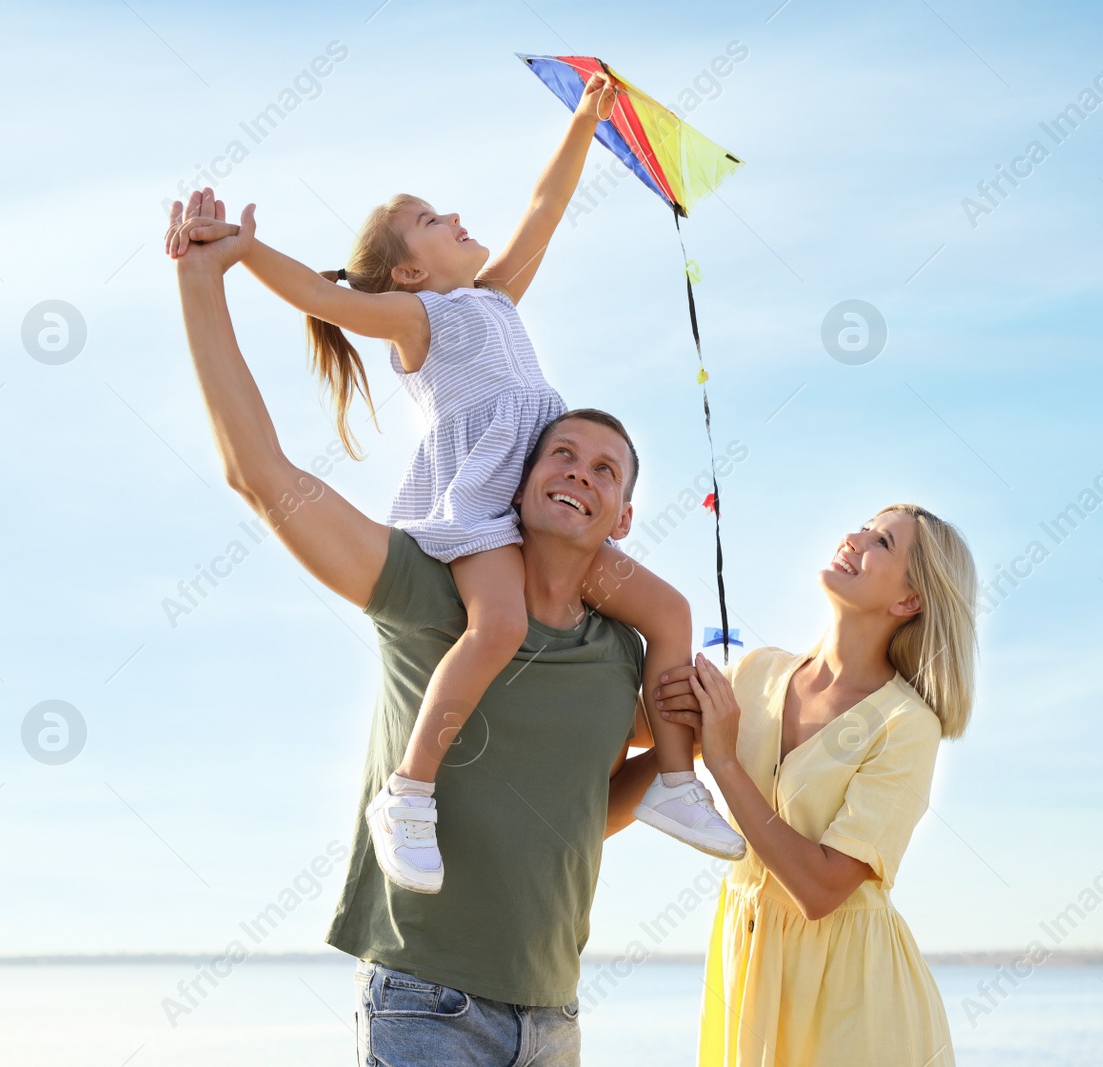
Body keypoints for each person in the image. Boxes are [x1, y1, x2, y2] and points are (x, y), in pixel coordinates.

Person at [166, 70, 743, 895]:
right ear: (405, 274)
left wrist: (587, 118)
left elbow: (545, 208)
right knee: (498, 625)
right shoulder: (418, 321)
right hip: (481, 512)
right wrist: (244, 251)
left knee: (672, 610)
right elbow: (322, 298)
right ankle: (409, 791)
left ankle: (677, 783)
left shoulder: (495, 300)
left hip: (536, 521)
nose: (457, 219)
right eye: (431, 221)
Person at [166, 192, 672, 1065]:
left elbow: (582, 810)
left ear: (623, 512)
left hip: (554, 1016)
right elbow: (259, 472)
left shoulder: (618, 652)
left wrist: (683, 753)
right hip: (426, 1006)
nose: (578, 474)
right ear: (513, 474)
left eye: (605, 469)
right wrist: (206, 276)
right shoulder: (424, 592)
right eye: (560, 452)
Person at [655, 505, 979, 1067]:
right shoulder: (754, 672)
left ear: (908, 601)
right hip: (747, 972)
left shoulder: (907, 725)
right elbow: (638, 723)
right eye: (862, 525)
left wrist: (726, 763)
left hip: (854, 999)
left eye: (881, 540)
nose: (853, 538)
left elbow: (821, 890)